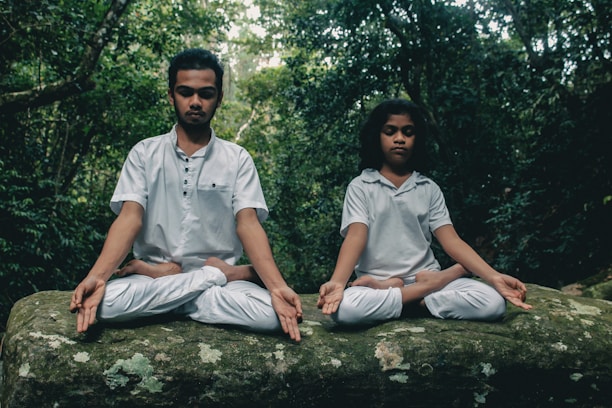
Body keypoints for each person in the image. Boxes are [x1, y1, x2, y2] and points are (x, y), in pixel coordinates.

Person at [69, 48, 302, 342]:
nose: (195, 102)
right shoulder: (145, 153)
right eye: (185, 92)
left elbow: (248, 224)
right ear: (171, 95)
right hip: (156, 274)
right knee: (103, 303)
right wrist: (98, 276)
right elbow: (129, 219)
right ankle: (210, 279)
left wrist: (277, 286)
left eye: (205, 93)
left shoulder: (237, 158)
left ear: (218, 98)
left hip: (215, 284)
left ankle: (195, 285)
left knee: (272, 315)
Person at [317, 99, 532, 326]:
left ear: (416, 139)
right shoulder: (361, 186)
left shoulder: (428, 188)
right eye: (390, 132)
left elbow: (452, 241)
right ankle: (429, 287)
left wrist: (493, 277)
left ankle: (415, 293)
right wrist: (338, 283)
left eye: (407, 132)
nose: (399, 139)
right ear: (377, 137)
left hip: (423, 273)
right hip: (381, 285)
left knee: (492, 303)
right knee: (343, 310)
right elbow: (356, 236)